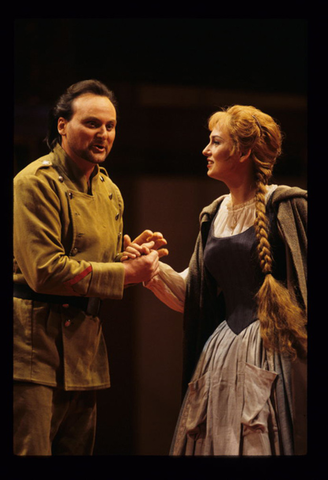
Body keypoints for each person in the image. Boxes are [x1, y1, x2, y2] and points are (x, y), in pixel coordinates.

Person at [124, 104, 307, 455]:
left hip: (272, 350)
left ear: (242, 152)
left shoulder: (287, 206)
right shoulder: (214, 214)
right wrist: (152, 269)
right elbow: (193, 296)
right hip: (224, 350)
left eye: (215, 142)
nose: (205, 151)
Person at [13, 79, 167, 456]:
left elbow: (101, 271)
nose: (103, 134)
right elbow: (46, 271)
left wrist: (132, 260)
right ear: (62, 125)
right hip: (32, 350)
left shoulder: (109, 190)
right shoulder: (35, 182)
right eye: (92, 124)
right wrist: (126, 273)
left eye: (110, 126)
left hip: (84, 353)